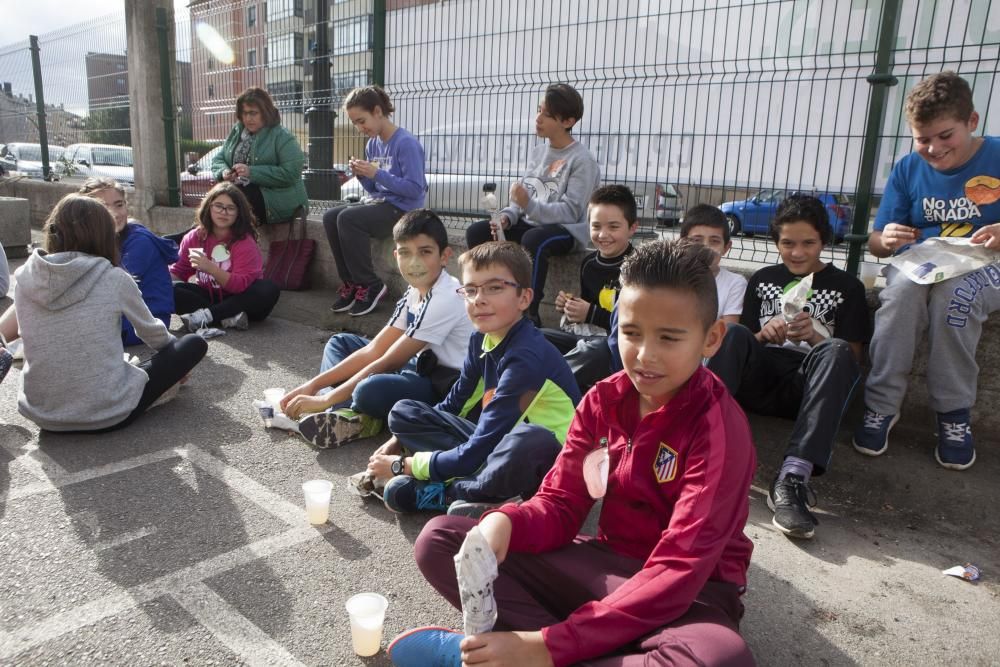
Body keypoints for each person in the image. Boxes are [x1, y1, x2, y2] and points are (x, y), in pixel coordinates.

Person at [387, 240, 755, 667]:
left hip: (691, 593)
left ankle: (511, 656)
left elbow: (680, 567)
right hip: (606, 567)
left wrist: (546, 646)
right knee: (443, 539)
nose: (645, 355)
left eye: (669, 338)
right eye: (631, 333)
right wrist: (504, 522)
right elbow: (561, 504)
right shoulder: (603, 401)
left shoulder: (718, 427)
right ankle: (575, 651)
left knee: (721, 658)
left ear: (711, 338)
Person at [361, 242, 582, 516]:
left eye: (494, 288)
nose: (479, 299)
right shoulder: (480, 339)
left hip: (544, 461)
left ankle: (453, 493)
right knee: (403, 412)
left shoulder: (526, 356)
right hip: (495, 445)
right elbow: (455, 404)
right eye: (471, 290)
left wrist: (402, 465)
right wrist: (398, 440)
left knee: (530, 439)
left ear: (524, 299)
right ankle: (484, 493)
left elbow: (480, 447)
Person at [853, 71, 1000, 471]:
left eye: (945, 136)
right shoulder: (907, 170)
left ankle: (954, 414)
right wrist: (888, 238)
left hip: (986, 263)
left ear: (972, 122)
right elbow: (878, 241)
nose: (933, 148)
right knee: (899, 296)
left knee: (956, 299)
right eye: (923, 139)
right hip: (923, 261)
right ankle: (881, 406)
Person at [707, 194, 869, 540]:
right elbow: (744, 343)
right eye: (787, 243)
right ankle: (699, 445)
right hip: (760, 379)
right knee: (733, 333)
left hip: (809, 388)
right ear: (776, 242)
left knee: (836, 349)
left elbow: (853, 359)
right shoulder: (763, 279)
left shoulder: (848, 288)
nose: (797, 252)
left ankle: (792, 479)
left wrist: (815, 338)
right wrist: (763, 336)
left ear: (824, 241)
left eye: (808, 243)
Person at [279, 209, 474, 448]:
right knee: (340, 343)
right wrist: (313, 385)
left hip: (441, 385)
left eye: (425, 252)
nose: (414, 263)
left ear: (445, 256)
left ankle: (347, 413)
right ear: (395, 256)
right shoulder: (415, 290)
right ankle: (342, 414)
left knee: (368, 390)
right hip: (417, 365)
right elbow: (374, 349)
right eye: (405, 253)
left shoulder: (446, 297)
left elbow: (386, 362)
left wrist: (324, 396)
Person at [14, 194, 207, 433]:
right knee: (192, 343)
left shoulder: (24, 277)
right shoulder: (113, 277)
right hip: (107, 414)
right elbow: (154, 335)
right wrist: (174, 365)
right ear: (105, 235)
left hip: (43, 414)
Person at [465, 83, 601, 326]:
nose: (538, 118)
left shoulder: (582, 160)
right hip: (533, 223)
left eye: (547, 114)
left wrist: (528, 206)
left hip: (566, 230)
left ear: (568, 121)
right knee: (477, 231)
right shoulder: (539, 153)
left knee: (534, 241)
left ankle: (529, 314)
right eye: (539, 110)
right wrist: (508, 216)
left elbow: (571, 212)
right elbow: (523, 198)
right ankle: (488, 296)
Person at [323, 85, 427, 317]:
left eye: (362, 121)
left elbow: (415, 189)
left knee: (349, 219)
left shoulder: (406, 143)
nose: (360, 128)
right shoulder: (373, 144)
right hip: (382, 205)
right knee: (330, 217)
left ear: (378, 112)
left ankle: (370, 284)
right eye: (355, 123)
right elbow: (376, 188)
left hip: (405, 211)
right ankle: (351, 283)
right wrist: (363, 176)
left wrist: (375, 173)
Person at [78, 178, 178, 346]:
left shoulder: (139, 240)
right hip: (114, 315)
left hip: (143, 323)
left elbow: (110, 288)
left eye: (119, 205)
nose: (115, 213)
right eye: (103, 207)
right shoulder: (95, 238)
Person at [171, 182, 281, 333]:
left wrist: (211, 268)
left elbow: (239, 285)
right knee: (170, 289)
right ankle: (227, 318)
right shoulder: (195, 237)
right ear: (209, 207)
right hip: (209, 297)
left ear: (238, 213)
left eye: (231, 208)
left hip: (242, 300)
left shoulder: (244, 242)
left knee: (268, 289)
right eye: (218, 206)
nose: (224, 212)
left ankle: (209, 316)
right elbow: (179, 271)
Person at [541, 184, 636, 355]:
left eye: (613, 227)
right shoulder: (588, 264)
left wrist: (590, 313)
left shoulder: (639, 268)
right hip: (586, 337)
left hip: (615, 346)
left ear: (632, 228)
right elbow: (587, 311)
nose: (603, 235)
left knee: (590, 351)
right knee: (537, 337)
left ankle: (565, 377)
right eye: (596, 226)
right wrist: (570, 306)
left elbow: (636, 325)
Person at [212, 86, 309, 226]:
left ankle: (194, 240)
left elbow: (291, 173)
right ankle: (191, 239)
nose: (248, 118)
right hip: (240, 193)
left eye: (253, 113)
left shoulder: (282, 136)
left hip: (276, 199)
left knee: (234, 200)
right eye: (244, 113)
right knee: (217, 199)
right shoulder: (237, 132)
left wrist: (252, 172)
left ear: (265, 113)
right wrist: (224, 172)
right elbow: (219, 158)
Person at [681, 203, 747, 324]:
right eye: (697, 240)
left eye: (714, 241)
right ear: (682, 244)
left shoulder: (734, 283)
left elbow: (729, 331)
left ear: (726, 248)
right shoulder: (670, 278)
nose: (705, 247)